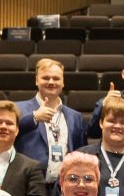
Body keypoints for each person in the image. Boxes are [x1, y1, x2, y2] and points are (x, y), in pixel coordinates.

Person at [16, 58, 87, 189]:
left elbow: (81, 152)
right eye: (45, 78)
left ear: (63, 82)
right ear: (36, 80)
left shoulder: (75, 117)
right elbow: (8, 132)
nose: (51, 82)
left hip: (65, 187)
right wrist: (34, 117)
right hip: (30, 185)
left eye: (56, 78)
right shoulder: (19, 109)